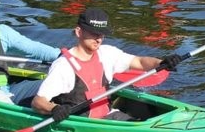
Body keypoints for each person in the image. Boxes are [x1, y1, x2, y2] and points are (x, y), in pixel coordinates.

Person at [31, 8, 182, 122]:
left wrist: (162, 62)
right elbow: (38, 102)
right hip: (82, 124)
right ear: (79, 32)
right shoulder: (64, 66)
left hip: (109, 117)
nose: (99, 39)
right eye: (94, 33)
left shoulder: (107, 54)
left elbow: (139, 62)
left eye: (101, 34)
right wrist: (55, 109)